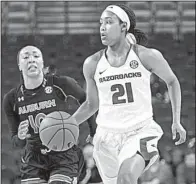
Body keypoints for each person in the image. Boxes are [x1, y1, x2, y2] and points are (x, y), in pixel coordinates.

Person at [71, 4, 186, 184]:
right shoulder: (92, 63)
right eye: (101, 23)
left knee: (126, 177)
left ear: (124, 26)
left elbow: (172, 81)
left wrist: (176, 120)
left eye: (109, 22)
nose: (102, 27)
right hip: (106, 137)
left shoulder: (146, 56)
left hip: (140, 131)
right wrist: (66, 124)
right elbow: (91, 105)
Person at [3, 45, 96, 184]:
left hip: (63, 155)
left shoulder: (61, 83)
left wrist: (93, 132)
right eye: (26, 57)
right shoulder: (11, 99)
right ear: (19, 66)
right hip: (33, 159)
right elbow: (17, 142)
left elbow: (89, 103)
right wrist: (20, 136)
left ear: (42, 63)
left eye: (36, 56)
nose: (31, 60)